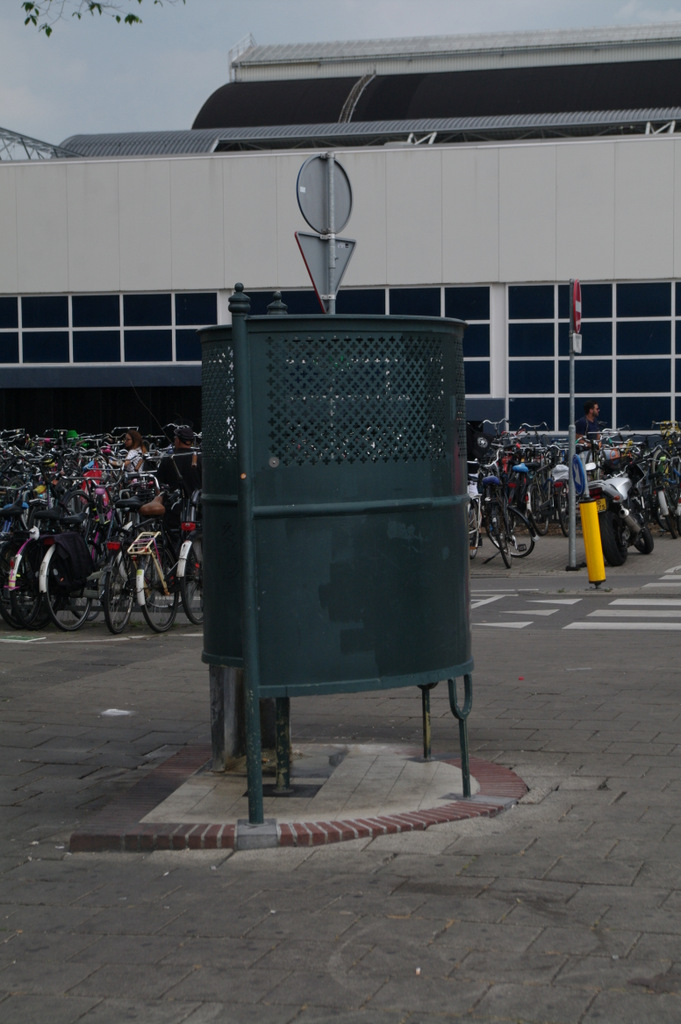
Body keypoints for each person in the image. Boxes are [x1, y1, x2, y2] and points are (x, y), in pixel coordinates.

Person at [154, 425, 201, 536]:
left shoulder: (168, 459)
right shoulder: (200, 458)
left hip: (174, 508)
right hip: (197, 506)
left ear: (178, 440)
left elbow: (158, 482)